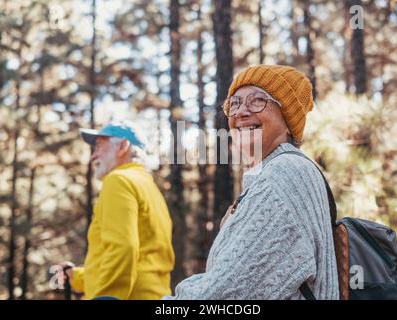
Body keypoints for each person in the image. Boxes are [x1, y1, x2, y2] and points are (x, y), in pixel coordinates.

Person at [164, 65, 339, 299]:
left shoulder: (285, 173)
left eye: (258, 101)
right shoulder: (271, 175)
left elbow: (223, 294)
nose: (241, 112)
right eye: (234, 104)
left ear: (288, 120)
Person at [62, 121, 174, 300]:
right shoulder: (149, 186)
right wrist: (77, 278)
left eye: (99, 146)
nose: (93, 156)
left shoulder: (118, 180)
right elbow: (141, 256)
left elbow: (122, 248)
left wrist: (107, 296)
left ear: (123, 146)